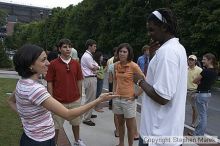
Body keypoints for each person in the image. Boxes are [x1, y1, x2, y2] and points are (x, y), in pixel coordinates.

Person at [7, 44, 117, 146]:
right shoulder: (36, 89)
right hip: (41, 141)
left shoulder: (22, 82)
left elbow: (11, 101)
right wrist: (99, 100)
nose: (48, 63)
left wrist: (26, 117)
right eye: (43, 60)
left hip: (30, 137)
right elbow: (68, 114)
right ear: (30, 65)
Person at [133, 8, 187, 146]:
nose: (149, 34)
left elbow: (162, 97)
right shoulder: (177, 48)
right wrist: (152, 57)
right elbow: (158, 79)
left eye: (152, 30)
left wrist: (139, 81)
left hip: (156, 135)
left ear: (164, 27)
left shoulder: (167, 52)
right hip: (168, 133)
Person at [45, 39, 85, 146]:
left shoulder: (76, 63)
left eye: (69, 47)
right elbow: (49, 82)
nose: (68, 49)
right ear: (59, 49)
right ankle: (55, 143)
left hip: (74, 100)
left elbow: (79, 80)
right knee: (56, 126)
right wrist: (51, 98)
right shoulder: (53, 64)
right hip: (58, 101)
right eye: (65, 47)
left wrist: (80, 96)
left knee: (76, 123)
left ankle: (77, 141)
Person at [113, 43, 144, 146]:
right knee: (120, 124)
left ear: (129, 53)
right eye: (120, 51)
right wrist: (114, 94)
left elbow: (144, 81)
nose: (122, 53)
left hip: (129, 100)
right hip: (117, 99)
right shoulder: (116, 65)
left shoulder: (134, 66)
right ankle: (121, 143)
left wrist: (136, 94)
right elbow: (115, 80)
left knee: (130, 127)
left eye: (125, 52)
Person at [192, 53, 218, 136]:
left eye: (204, 59)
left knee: (202, 116)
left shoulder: (205, 71)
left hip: (201, 94)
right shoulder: (215, 71)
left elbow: (195, 81)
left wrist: (200, 82)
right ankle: (199, 133)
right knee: (203, 115)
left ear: (210, 60)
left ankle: (199, 134)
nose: (202, 61)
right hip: (208, 94)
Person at [80, 39, 100, 126]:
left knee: (91, 98)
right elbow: (94, 67)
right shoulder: (87, 56)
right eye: (94, 46)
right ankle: (86, 118)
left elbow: (95, 65)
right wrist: (98, 67)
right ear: (89, 46)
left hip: (90, 78)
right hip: (90, 78)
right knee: (90, 99)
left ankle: (89, 114)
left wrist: (97, 66)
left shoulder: (89, 55)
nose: (95, 48)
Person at [187, 55, 202, 128]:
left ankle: (193, 123)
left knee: (194, 108)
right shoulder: (185, 68)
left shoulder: (199, 70)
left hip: (193, 91)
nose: (190, 61)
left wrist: (197, 92)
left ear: (195, 61)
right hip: (184, 91)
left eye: (192, 60)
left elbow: (201, 82)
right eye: (189, 59)